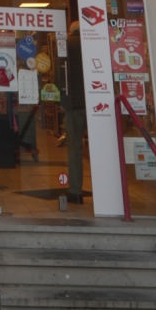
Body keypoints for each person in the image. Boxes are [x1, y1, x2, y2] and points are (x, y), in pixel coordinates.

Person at [64, 21, 87, 203]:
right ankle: (109, 190)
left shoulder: (67, 44)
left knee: (75, 148)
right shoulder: (93, 43)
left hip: (73, 104)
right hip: (96, 103)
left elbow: (61, 74)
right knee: (102, 148)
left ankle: (75, 190)